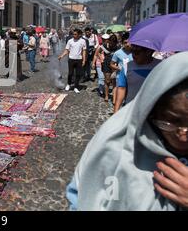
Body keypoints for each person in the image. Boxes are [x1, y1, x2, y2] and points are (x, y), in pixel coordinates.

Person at [66, 52, 188, 210]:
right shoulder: (115, 146)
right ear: (152, 110)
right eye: (172, 122)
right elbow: (83, 196)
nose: (184, 135)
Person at [114, 44, 161, 113]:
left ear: (149, 52)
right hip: (131, 110)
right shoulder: (127, 66)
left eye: (137, 52)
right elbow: (121, 88)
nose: (133, 55)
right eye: (132, 51)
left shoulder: (161, 65)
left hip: (154, 112)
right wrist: (116, 111)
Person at [58, 29, 87, 94]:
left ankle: (76, 87)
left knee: (78, 74)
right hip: (71, 59)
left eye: (75, 34)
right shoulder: (70, 41)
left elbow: (84, 51)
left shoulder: (83, 41)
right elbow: (67, 50)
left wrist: (84, 60)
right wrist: (61, 56)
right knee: (70, 73)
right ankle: (68, 84)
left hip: (79, 59)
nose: (74, 35)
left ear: (79, 34)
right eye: (73, 34)